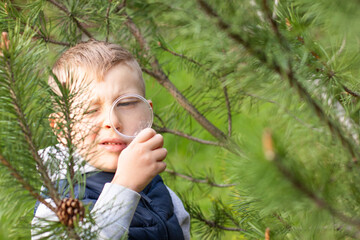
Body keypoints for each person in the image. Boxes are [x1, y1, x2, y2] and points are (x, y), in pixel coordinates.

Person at [31, 40, 190, 240]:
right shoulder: (57, 204)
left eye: (127, 103)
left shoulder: (158, 188)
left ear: (147, 111)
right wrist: (124, 186)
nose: (112, 121)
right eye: (90, 110)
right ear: (62, 129)